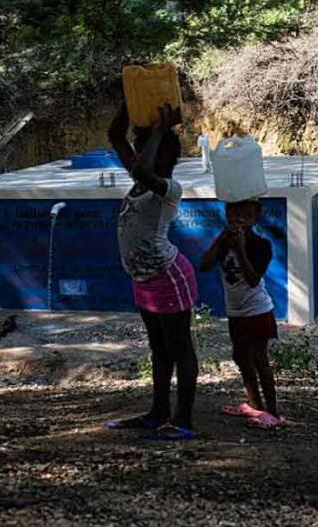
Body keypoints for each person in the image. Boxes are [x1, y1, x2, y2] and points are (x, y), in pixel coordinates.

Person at [104, 101, 199, 441]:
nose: (137, 158)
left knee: (180, 347)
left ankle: (183, 420)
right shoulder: (141, 181)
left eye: (144, 151)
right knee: (159, 348)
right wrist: (129, 100)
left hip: (168, 276)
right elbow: (116, 136)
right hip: (144, 278)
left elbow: (144, 169)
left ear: (163, 157)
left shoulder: (168, 189)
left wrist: (160, 130)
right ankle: (157, 413)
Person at [199, 198, 283, 429]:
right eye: (235, 215)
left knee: (260, 360)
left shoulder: (261, 245)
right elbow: (204, 265)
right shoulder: (225, 242)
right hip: (235, 312)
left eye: (247, 216)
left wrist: (241, 249)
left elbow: (253, 280)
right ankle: (256, 406)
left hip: (257, 310)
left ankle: (273, 412)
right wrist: (222, 239)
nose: (240, 220)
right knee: (241, 358)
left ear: (255, 219)